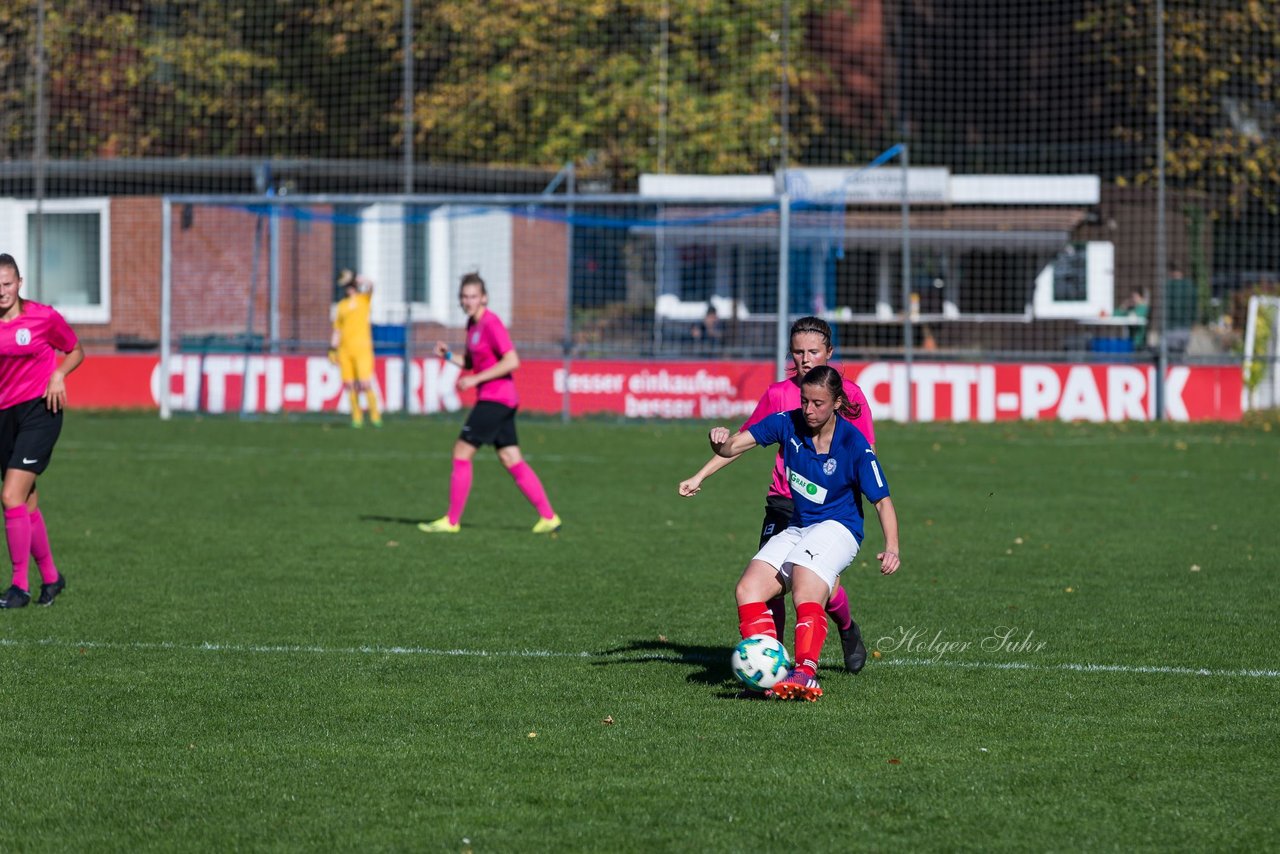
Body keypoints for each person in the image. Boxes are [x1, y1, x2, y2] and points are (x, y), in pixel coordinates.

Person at [679, 316, 876, 674]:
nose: (805, 359)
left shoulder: (850, 397)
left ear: (829, 353)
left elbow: (864, 455)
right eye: (798, 352)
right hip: (784, 503)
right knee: (770, 585)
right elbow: (741, 442)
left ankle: (847, 629)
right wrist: (700, 475)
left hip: (831, 509)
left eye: (813, 352)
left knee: (821, 585)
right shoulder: (778, 394)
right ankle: (773, 662)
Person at [706, 365, 900, 700]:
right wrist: (720, 441)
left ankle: (806, 673)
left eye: (818, 403)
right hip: (801, 526)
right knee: (748, 589)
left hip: (841, 529)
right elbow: (733, 448)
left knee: (805, 581)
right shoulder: (787, 422)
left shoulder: (854, 444)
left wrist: (892, 547)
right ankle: (770, 675)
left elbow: (882, 501)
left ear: (837, 402)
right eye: (805, 401)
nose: (808, 410)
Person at [419, 272, 561, 534]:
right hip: (501, 400)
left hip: (496, 399)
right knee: (510, 457)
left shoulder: (492, 324)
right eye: (464, 296)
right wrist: (449, 355)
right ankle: (549, 517)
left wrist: (475, 381)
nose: (468, 301)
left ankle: (451, 521)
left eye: (473, 296)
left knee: (461, 452)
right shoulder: (471, 326)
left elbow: (512, 361)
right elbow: (473, 362)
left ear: (484, 298)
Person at [0, 253, 84, 609]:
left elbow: (75, 350)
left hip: (40, 411)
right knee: (27, 500)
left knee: (10, 497)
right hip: (4, 416)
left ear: (20, 284)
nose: (1, 291)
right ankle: (52, 578)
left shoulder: (42, 317)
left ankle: (19, 586)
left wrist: (59, 374)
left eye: (6, 284)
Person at [329, 269, 381, 428]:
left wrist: (361, 278)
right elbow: (337, 329)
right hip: (345, 350)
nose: (349, 289)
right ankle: (357, 417)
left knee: (365, 383)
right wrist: (332, 349)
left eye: (351, 286)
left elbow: (372, 286)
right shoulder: (341, 306)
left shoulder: (363, 300)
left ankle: (374, 415)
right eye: (347, 287)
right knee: (349, 384)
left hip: (362, 348)